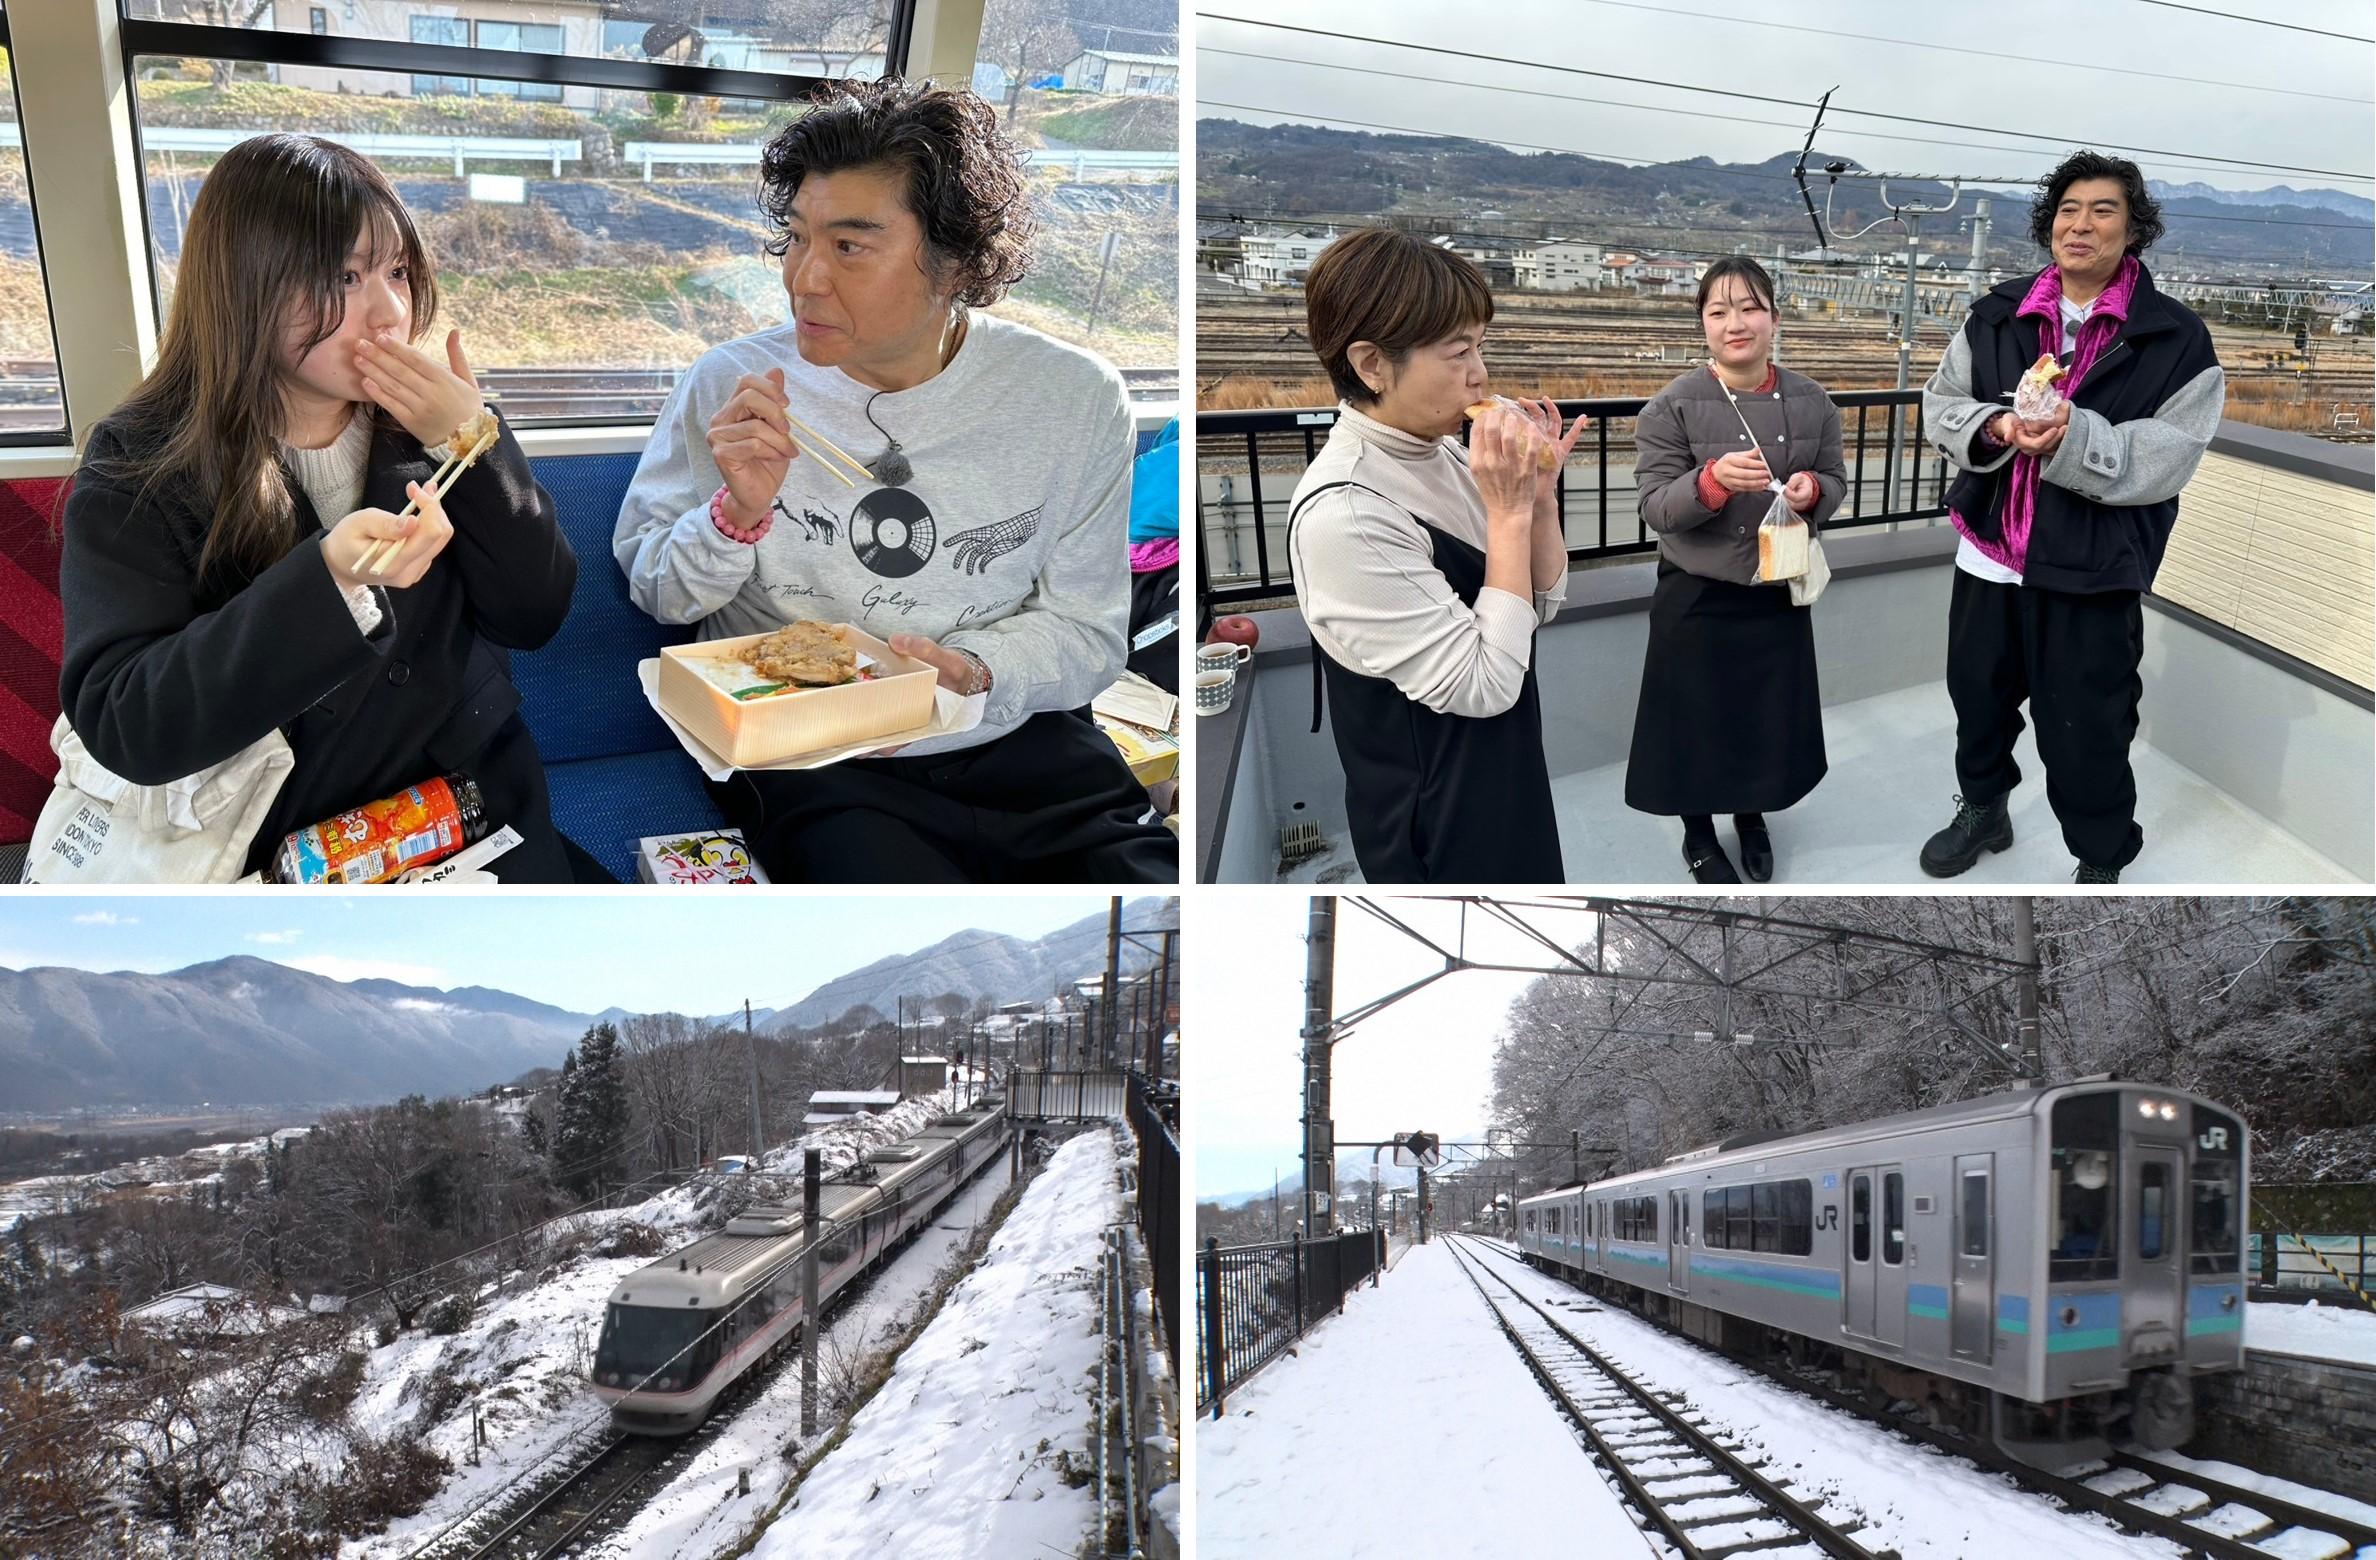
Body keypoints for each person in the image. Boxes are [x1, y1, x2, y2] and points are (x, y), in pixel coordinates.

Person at [615, 79, 1175, 884]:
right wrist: (737, 514)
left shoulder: (1075, 398)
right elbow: (660, 596)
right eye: (796, 239)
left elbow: (1089, 634)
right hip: (815, 755)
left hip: (1021, 741)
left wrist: (974, 672)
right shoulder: (732, 385)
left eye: (849, 246)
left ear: (955, 261)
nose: (805, 278)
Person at [59, 133, 589, 882]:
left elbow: (535, 615)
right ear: (246, 285)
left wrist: (474, 445)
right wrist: (330, 579)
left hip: (472, 814)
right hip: (287, 844)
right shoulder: (144, 460)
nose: (387, 313)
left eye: (397, 272)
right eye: (343, 276)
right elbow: (126, 721)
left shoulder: (438, 420)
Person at [1919, 151, 2224, 884]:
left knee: (2088, 723)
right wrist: (1996, 428)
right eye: (2068, 210)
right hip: (1990, 553)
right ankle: (1984, 808)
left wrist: (2072, 437)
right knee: (1979, 703)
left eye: (2102, 210)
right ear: (2049, 225)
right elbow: (1940, 403)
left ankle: (2100, 851)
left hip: (2091, 564)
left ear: (2134, 230)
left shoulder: (2173, 338)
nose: (2080, 225)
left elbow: (2172, 452)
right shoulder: (1998, 313)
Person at [1286, 227, 1581, 883]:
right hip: (1434, 820)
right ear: (1371, 365)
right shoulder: (1349, 513)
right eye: (1457, 353)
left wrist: (1537, 500)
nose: (1480, 373)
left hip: (1501, 771)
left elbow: (1542, 604)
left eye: (1481, 346)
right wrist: (1506, 511)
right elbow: (1483, 684)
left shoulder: (1445, 451)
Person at [1625, 256, 1843, 883]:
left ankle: (1753, 813)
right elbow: (1656, 509)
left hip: (1776, 589)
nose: (1735, 323)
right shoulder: (1672, 406)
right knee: (1690, 721)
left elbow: (1835, 480)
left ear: (1775, 317)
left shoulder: (1812, 400)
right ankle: (1698, 834)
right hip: (1696, 592)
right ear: (1703, 325)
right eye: (1718, 311)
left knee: (1765, 715)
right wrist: (1712, 482)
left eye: (1749, 308)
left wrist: (1811, 493)